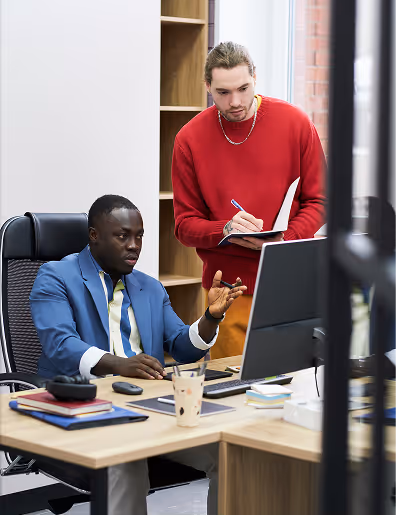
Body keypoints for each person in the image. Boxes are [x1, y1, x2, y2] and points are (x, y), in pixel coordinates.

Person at [30, 194, 247, 515]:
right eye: (122, 236)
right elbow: (61, 345)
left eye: (140, 236)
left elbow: (181, 346)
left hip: (147, 407)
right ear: (94, 236)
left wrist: (211, 317)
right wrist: (120, 365)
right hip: (88, 406)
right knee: (125, 459)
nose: (134, 245)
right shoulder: (56, 277)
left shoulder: (150, 287)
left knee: (232, 451)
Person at [172, 41, 326, 359]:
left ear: (255, 77)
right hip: (228, 289)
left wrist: (284, 238)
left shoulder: (296, 123)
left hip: (290, 279)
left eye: (243, 88)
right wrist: (224, 228)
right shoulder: (188, 140)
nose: (236, 102)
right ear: (208, 87)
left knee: (294, 382)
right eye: (223, 93)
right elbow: (184, 226)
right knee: (234, 391)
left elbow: (320, 201)